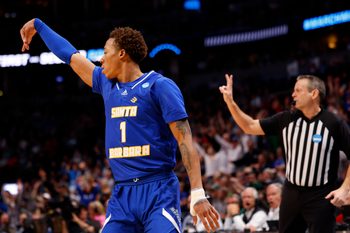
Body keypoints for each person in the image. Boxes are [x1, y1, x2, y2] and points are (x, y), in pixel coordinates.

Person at [20, 18, 220, 233]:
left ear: (122, 54)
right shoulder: (106, 84)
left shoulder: (159, 86)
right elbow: (70, 55)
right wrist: (39, 26)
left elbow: (184, 140)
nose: (101, 59)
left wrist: (197, 192)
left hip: (158, 190)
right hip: (122, 193)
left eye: (106, 52)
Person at [219, 74, 350, 233]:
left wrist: (345, 188)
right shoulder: (286, 119)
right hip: (291, 193)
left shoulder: (334, 123)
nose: (293, 94)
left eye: (298, 90)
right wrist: (230, 102)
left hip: (321, 195)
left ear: (314, 94)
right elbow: (249, 126)